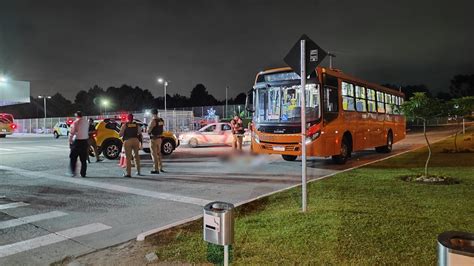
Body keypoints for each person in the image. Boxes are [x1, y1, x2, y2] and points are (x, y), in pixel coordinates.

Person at [69, 111, 89, 177]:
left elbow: (72, 132)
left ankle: (73, 172)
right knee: (83, 159)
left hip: (77, 142)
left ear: (76, 115)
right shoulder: (86, 122)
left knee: (73, 157)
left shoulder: (76, 122)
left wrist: (70, 141)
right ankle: (83, 173)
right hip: (85, 141)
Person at [147, 109, 164, 174]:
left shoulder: (153, 121)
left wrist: (148, 129)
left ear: (152, 114)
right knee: (159, 153)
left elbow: (149, 130)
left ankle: (156, 169)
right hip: (159, 139)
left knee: (154, 154)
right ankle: (161, 167)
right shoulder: (161, 120)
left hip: (154, 139)